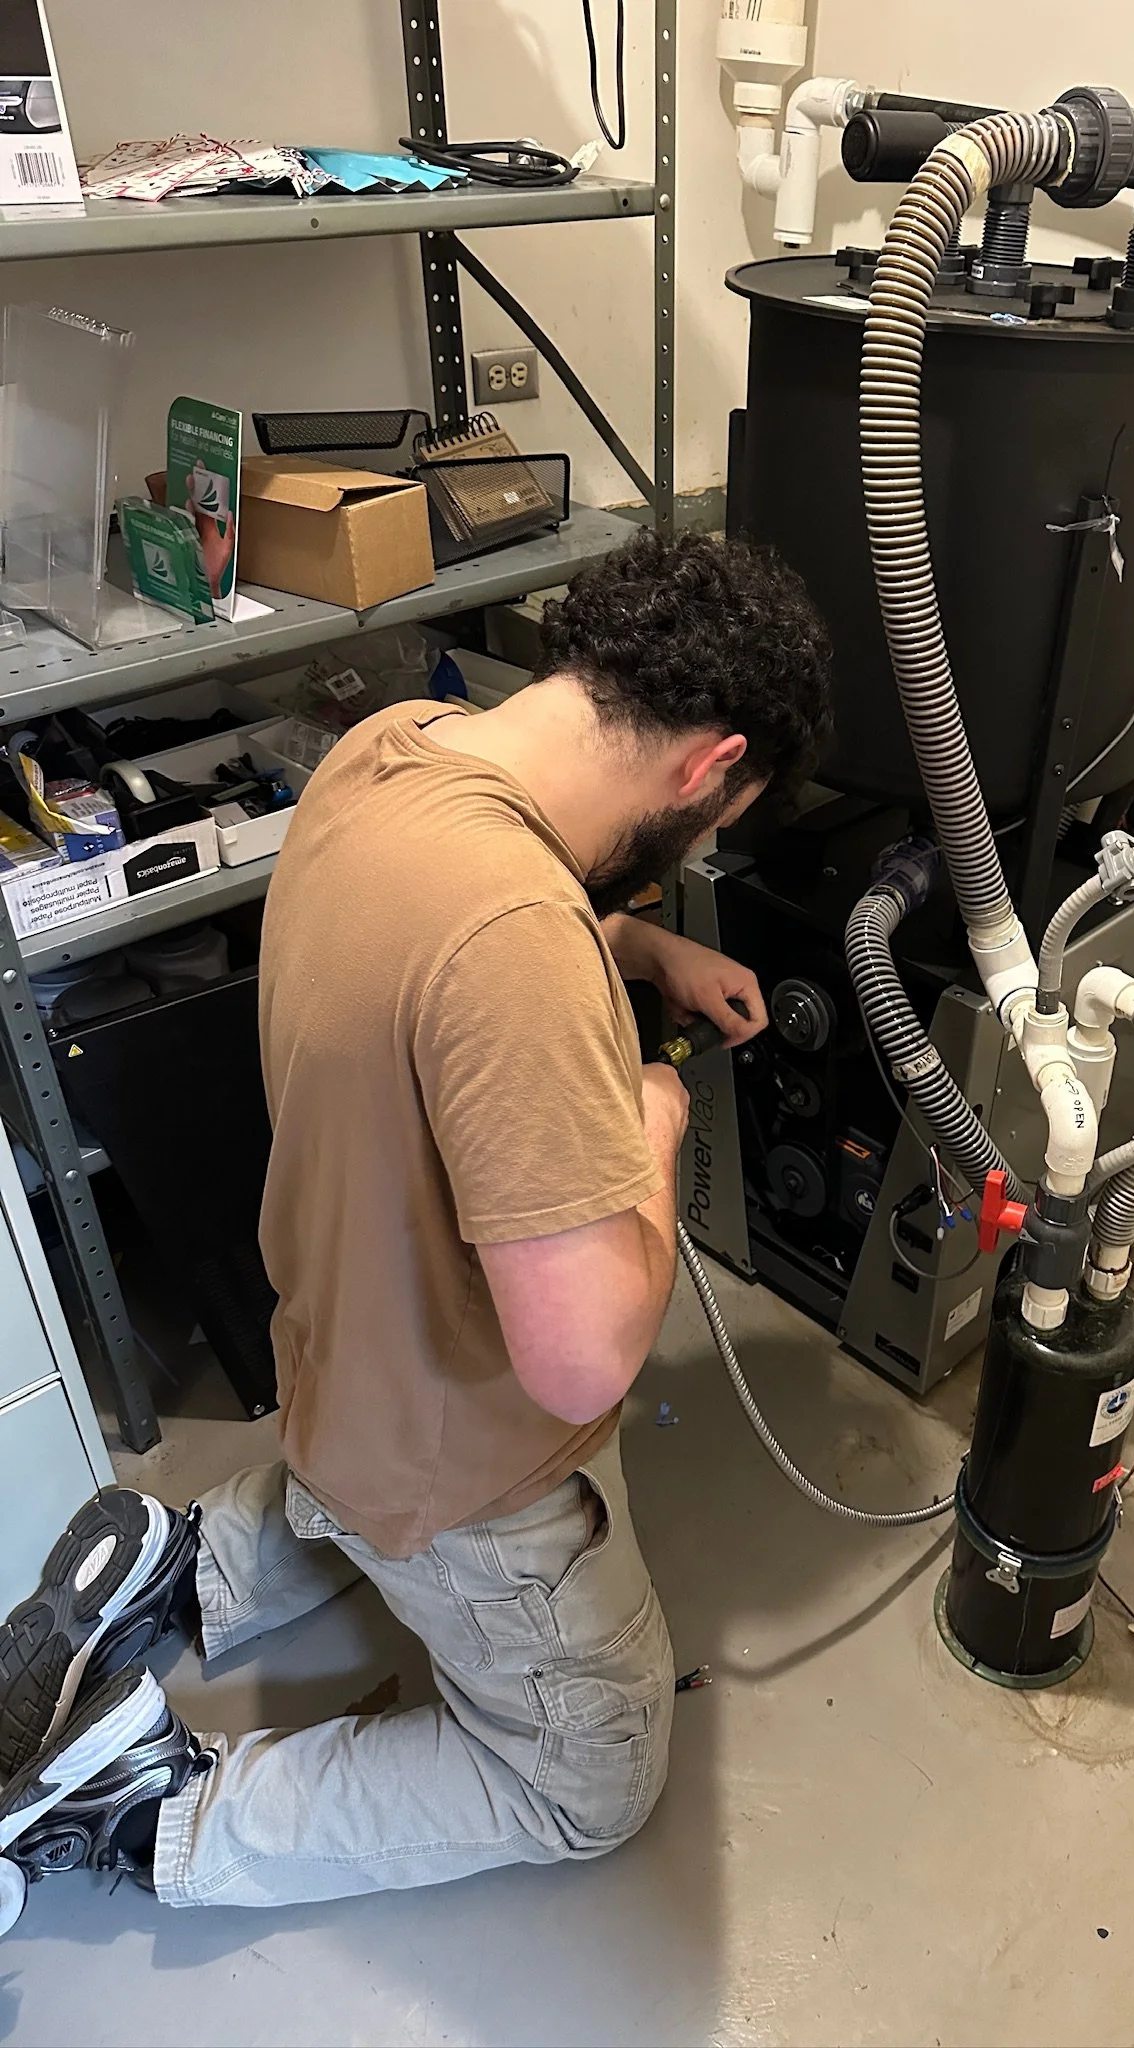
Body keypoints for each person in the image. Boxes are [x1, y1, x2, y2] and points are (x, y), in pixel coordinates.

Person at [0, 529, 832, 1912]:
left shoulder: (395, 746)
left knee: (351, 1497)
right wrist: (652, 1128)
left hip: (330, 1350)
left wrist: (634, 944)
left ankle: (175, 1558)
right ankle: (161, 1805)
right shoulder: (517, 943)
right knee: (593, 1779)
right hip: (467, 1478)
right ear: (706, 771)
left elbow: (470, 939)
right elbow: (579, 1361)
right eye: (713, 827)